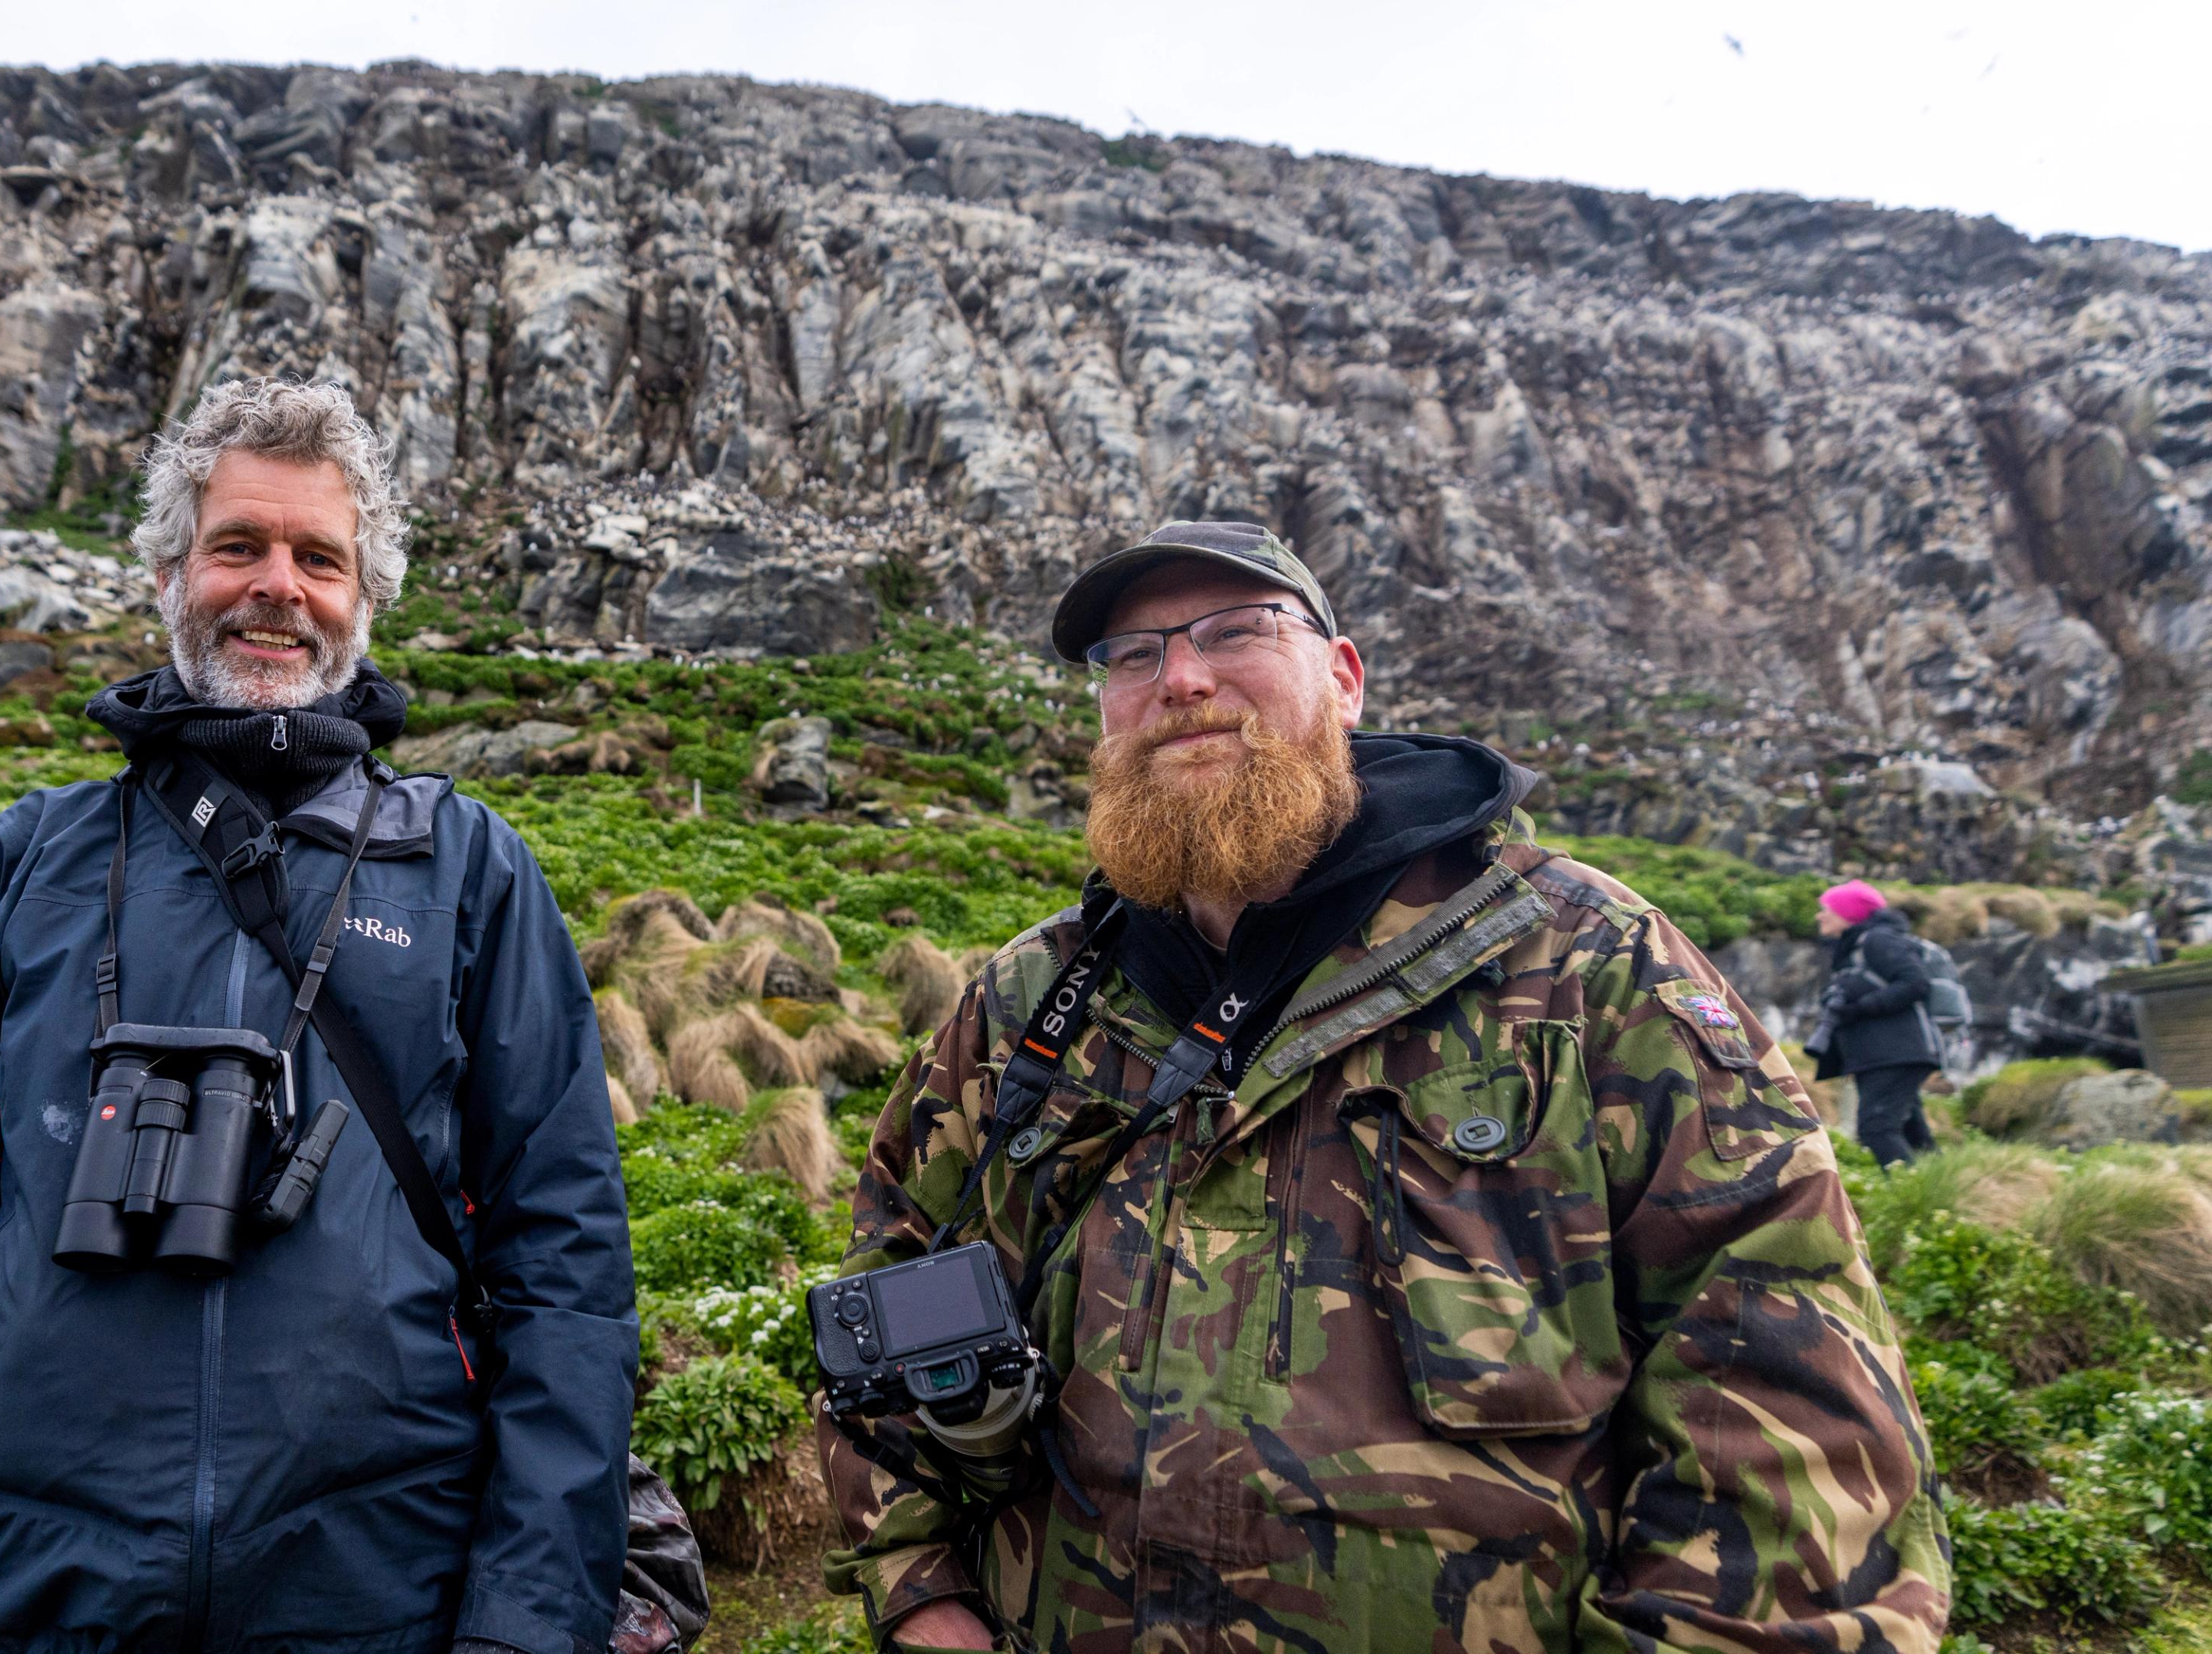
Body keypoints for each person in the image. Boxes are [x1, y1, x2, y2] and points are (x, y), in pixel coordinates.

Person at [817, 522, 1948, 1652]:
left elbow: (1794, 1412)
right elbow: (887, 1284)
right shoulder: (1033, 1000)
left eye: (1236, 631)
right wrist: (921, 1591)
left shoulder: (1589, 966)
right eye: (1134, 655)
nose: (1183, 679)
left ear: (1344, 678)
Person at [0, 378, 640, 1654]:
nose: (278, 585)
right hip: (47, 1582)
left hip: (383, 1586)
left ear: (363, 598)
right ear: (174, 571)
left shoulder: (468, 868)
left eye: (317, 557)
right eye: (238, 545)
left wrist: (531, 1618)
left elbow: (567, 1275)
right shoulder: (28, 863)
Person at [1813, 879, 1943, 1167]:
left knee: (1877, 1128)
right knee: (1912, 1131)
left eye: (1827, 909)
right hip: (1880, 1056)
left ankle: (1909, 1198)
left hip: (1897, 1054)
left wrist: (1861, 1007)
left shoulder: (1876, 940)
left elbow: (1916, 982)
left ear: (1849, 914)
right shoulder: (1852, 949)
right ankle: (1941, 1186)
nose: (1819, 916)